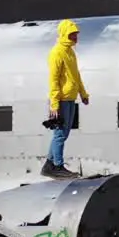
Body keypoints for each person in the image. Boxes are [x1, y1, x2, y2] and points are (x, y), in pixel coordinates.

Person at [43, 19, 89, 179]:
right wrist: (54, 104)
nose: (76, 37)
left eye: (76, 34)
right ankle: (57, 166)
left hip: (70, 98)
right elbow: (53, 80)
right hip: (61, 100)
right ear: (64, 34)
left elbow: (76, 76)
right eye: (72, 34)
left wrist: (83, 93)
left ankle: (49, 164)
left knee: (64, 133)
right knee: (60, 134)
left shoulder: (70, 52)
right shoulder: (57, 52)